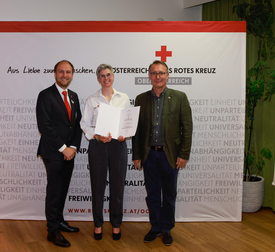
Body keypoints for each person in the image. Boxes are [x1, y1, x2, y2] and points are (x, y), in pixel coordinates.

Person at [132, 60, 193, 246]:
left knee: (168, 194)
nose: (158, 76)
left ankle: (166, 228)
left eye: (161, 73)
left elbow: (187, 128)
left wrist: (183, 154)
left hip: (171, 156)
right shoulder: (141, 99)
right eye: (154, 73)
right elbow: (137, 130)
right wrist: (136, 155)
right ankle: (155, 227)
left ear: (167, 75)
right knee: (152, 194)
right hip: (149, 156)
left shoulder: (180, 97)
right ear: (149, 76)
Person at [80, 64, 130, 241]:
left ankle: (116, 226)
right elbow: (84, 124)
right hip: (98, 146)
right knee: (98, 187)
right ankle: (98, 225)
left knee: (117, 188)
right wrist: (96, 135)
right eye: (102, 76)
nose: (106, 78)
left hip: (118, 146)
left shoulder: (123, 98)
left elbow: (128, 123)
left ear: (113, 76)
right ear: (98, 79)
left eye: (108, 75)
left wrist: (125, 134)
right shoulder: (92, 100)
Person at [36, 60, 82, 248]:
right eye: (61, 72)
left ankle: (59, 221)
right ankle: (52, 231)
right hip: (54, 152)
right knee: (54, 191)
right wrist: (64, 148)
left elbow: (77, 125)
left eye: (68, 72)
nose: (65, 75)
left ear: (72, 74)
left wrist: (73, 147)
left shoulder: (74, 96)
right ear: (55, 74)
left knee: (63, 189)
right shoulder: (45, 95)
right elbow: (45, 127)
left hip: (69, 152)